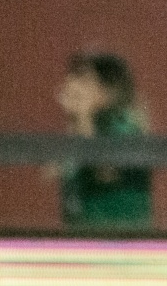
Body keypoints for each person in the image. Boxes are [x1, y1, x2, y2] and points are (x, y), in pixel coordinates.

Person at [57, 51, 152, 228]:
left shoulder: (123, 126)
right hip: (83, 240)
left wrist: (83, 118)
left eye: (83, 81)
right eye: (72, 78)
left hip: (119, 242)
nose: (71, 85)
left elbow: (106, 173)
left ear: (108, 90)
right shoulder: (82, 129)